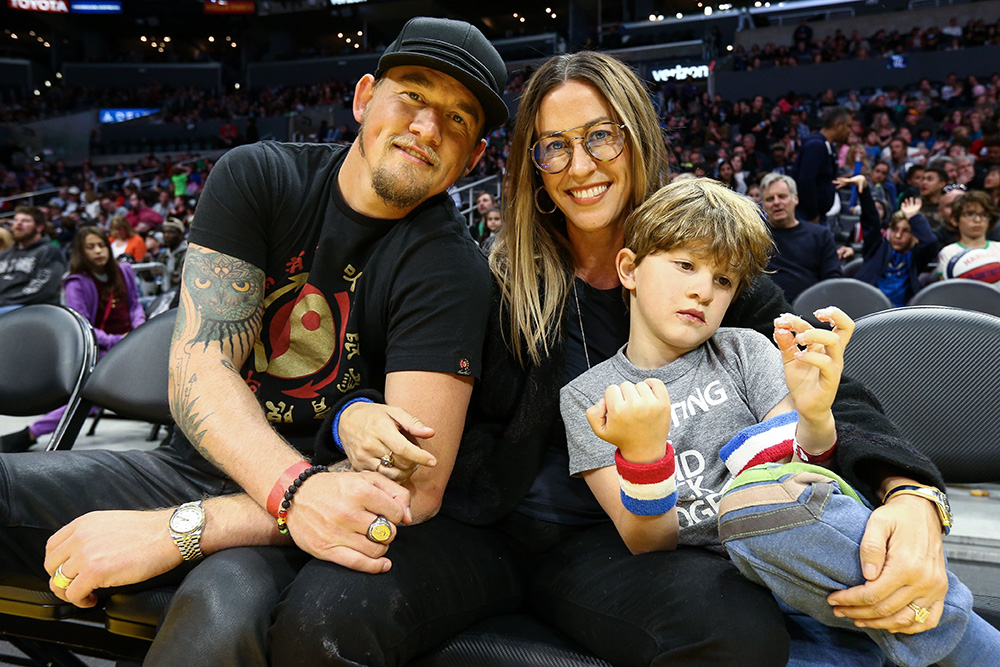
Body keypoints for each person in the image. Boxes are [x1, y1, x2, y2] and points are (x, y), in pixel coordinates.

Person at [325, 51, 951, 667]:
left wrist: (911, 493)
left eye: (602, 137)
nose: (579, 165)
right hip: (500, 530)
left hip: (638, 541)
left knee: (734, 635)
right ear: (533, 165)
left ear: (640, 139)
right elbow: (391, 380)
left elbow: (827, 391)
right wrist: (352, 412)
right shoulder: (495, 275)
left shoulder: (706, 264)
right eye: (554, 145)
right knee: (334, 613)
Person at [0, 16, 505, 666]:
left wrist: (181, 530)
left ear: (474, 159)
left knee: (223, 607)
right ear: (362, 98)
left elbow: (410, 489)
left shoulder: (450, 266)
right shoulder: (258, 176)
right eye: (413, 94)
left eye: (459, 119)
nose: (428, 127)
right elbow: (200, 369)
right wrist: (290, 489)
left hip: (310, 512)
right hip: (204, 470)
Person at [559, 177, 999, 667]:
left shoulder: (745, 348)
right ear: (629, 269)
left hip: (808, 549)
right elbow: (649, 542)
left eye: (723, 280)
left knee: (758, 501)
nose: (703, 290)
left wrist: (813, 415)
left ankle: (967, 640)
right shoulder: (587, 397)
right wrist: (644, 459)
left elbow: (802, 470)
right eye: (685, 265)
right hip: (729, 588)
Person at [0, 226, 146, 453]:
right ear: (81, 252)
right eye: (91, 247)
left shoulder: (125, 270)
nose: (98, 251)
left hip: (135, 343)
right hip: (101, 349)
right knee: (96, 391)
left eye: (101, 245)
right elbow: (83, 327)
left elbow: (135, 305)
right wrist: (118, 340)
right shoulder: (75, 282)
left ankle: (30, 433)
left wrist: (139, 329)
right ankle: (32, 432)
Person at [847, 176, 937, 307]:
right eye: (895, 229)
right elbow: (870, 221)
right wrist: (864, 190)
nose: (898, 235)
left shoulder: (915, 257)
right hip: (866, 309)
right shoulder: (877, 248)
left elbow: (930, 242)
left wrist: (913, 217)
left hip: (901, 316)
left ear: (914, 235)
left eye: (906, 231)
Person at [761, 173, 843, 303]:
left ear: (796, 199)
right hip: (765, 312)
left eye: (782, 196)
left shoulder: (820, 235)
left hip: (812, 312)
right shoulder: (755, 238)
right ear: (763, 205)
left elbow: (833, 282)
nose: (776, 202)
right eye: (769, 199)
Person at [0, 206, 66, 316]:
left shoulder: (49, 251)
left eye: (25, 221)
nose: (18, 224)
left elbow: (44, 289)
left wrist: (4, 301)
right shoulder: (5, 254)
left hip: (30, 310)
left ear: (39, 227)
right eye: (16, 220)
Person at [792, 106, 851, 223]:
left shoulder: (827, 146)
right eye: (848, 126)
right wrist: (812, 215)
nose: (849, 131)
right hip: (808, 217)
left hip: (818, 215)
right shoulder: (816, 146)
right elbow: (806, 181)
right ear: (838, 124)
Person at [935, 191, 1000, 281]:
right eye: (970, 214)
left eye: (984, 215)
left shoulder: (998, 248)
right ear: (955, 219)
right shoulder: (948, 252)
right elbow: (947, 288)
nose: (977, 220)